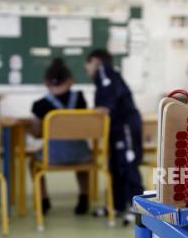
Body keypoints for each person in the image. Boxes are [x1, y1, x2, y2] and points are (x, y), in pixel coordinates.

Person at [85, 49, 144, 220]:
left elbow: (108, 101)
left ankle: (138, 208)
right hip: (116, 126)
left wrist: (105, 106)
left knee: (128, 164)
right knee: (116, 166)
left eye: (87, 65)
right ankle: (117, 205)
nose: (87, 70)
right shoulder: (105, 75)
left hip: (125, 125)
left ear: (95, 61)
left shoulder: (104, 70)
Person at [31, 58, 91, 215]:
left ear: (46, 83)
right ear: (71, 81)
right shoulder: (80, 99)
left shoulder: (40, 105)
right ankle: (84, 198)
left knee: (33, 164)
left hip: (52, 157)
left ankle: (43, 200)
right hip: (81, 156)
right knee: (83, 164)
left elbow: (37, 134)